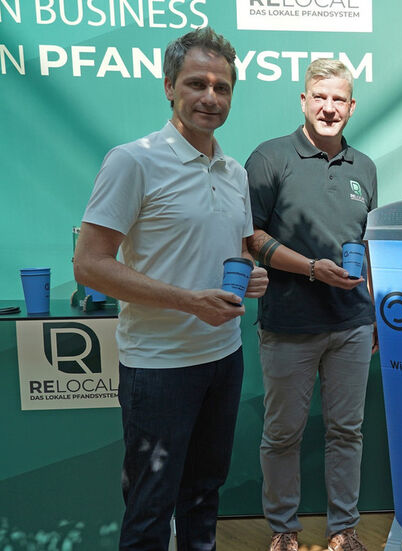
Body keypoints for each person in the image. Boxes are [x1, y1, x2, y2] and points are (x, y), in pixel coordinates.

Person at [73, 27, 269, 551]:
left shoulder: (233, 172)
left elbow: (238, 247)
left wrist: (250, 272)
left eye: (222, 87)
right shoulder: (132, 161)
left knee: (205, 494)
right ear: (169, 87)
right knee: (150, 507)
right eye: (196, 83)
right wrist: (187, 301)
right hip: (157, 367)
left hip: (224, 359)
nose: (210, 97)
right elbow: (89, 266)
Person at [245, 58, 377, 551]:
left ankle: (343, 529)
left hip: (352, 324)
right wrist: (311, 268)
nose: (328, 107)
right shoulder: (269, 157)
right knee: (282, 434)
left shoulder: (364, 167)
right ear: (303, 100)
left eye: (338, 98)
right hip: (288, 325)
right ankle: (284, 530)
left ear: (351, 105)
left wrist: (376, 317)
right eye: (319, 97)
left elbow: (369, 246)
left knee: (347, 431)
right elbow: (250, 236)